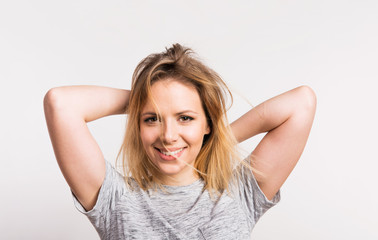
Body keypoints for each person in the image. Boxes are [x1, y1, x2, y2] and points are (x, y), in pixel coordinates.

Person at [44, 44, 316, 239]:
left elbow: (301, 103)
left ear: (207, 122)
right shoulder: (115, 200)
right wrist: (145, 96)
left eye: (185, 118)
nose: (168, 135)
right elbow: (61, 103)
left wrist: (217, 139)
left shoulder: (239, 193)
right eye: (152, 118)